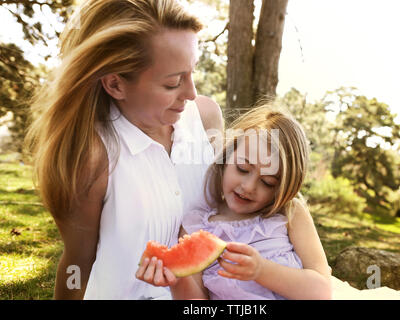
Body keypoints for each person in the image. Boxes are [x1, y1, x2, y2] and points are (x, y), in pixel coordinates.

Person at [24, 0, 223, 300]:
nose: (191, 93)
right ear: (115, 84)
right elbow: (77, 263)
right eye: (172, 83)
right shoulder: (91, 157)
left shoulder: (207, 117)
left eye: (192, 72)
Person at [136, 105, 334, 299]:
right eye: (242, 168)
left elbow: (322, 290)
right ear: (227, 157)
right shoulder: (196, 226)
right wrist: (176, 277)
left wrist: (261, 270)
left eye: (267, 182)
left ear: (282, 189)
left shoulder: (290, 214)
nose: (248, 186)